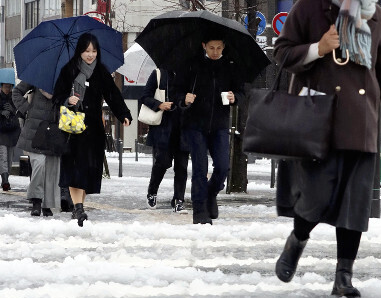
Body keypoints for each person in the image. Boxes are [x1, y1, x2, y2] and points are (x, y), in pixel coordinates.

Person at [273, 0, 381, 298]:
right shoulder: (311, 6)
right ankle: (297, 239)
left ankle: (343, 276)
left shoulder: (374, 13)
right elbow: (282, 53)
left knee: (355, 204)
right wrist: (317, 48)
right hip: (320, 119)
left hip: (362, 122)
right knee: (316, 197)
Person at [53, 33, 132, 226]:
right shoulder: (69, 70)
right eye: (87, 51)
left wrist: (124, 114)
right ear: (80, 50)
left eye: (94, 51)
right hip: (73, 129)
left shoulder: (101, 72)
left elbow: (113, 95)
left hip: (93, 129)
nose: (90, 55)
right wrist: (67, 100)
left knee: (88, 169)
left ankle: (79, 206)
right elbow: (57, 96)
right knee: (74, 169)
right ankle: (78, 208)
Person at [176, 34, 244, 224]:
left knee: (222, 167)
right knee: (200, 168)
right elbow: (177, 89)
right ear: (204, 45)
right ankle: (200, 212)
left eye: (219, 48)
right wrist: (184, 98)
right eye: (212, 47)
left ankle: (211, 193)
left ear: (224, 47)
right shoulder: (192, 64)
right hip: (195, 124)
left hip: (220, 125)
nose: (215, 52)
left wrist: (234, 97)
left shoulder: (230, 65)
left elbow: (241, 91)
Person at [140, 68, 189, 213]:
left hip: (184, 126)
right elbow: (145, 96)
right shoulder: (159, 73)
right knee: (162, 162)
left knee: (182, 166)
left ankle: (178, 200)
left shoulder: (189, 74)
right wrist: (160, 104)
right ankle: (152, 192)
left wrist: (189, 100)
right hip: (163, 127)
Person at [12, 84, 60, 216]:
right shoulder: (38, 76)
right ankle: (36, 201)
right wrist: (26, 109)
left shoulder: (64, 78)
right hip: (35, 131)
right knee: (39, 165)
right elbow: (16, 91)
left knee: (51, 169)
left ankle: (47, 205)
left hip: (54, 129)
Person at [0, 82, 20, 191]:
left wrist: (13, 110)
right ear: (1, 86)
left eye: (9, 86)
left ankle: (6, 177)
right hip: (1, 131)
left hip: (12, 132)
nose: (7, 89)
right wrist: (1, 112)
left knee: (10, 158)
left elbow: (21, 112)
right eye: (5, 86)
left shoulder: (15, 97)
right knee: (3, 156)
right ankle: (5, 180)